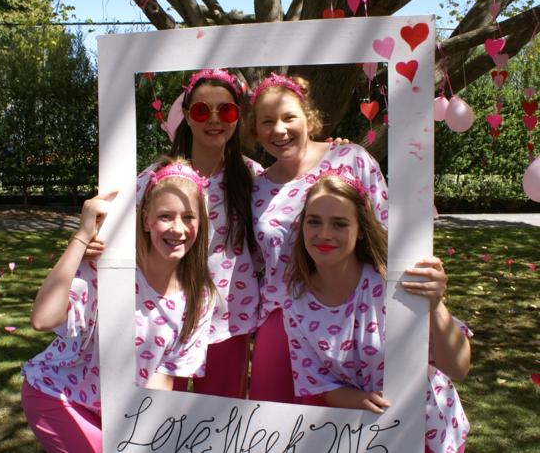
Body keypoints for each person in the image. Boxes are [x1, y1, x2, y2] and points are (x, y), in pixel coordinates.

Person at [21, 157, 215, 453]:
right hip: (59, 395)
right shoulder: (111, 269)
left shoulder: (200, 297)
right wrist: (82, 236)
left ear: (200, 222)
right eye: (166, 216)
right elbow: (42, 319)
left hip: (121, 412)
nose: (178, 228)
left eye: (189, 217)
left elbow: (161, 378)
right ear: (147, 218)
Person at [283, 169, 471, 453]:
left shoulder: (393, 284)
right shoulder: (296, 302)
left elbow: (458, 367)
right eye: (314, 221)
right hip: (364, 435)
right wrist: (358, 401)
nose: (324, 234)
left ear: (360, 230)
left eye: (339, 224)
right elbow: (317, 381)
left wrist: (435, 305)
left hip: (427, 429)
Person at [249, 72, 389, 402]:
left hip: (353, 315)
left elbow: (385, 233)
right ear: (255, 131)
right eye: (267, 121)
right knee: (273, 431)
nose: (279, 130)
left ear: (308, 118)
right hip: (281, 320)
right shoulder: (256, 186)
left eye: (288, 117)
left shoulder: (350, 159)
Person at [132, 69, 261, 399]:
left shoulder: (253, 177)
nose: (214, 120)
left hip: (229, 318)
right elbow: (121, 231)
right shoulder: (156, 179)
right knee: (156, 417)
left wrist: (329, 152)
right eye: (203, 110)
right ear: (187, 117)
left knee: (218, 422)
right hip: (166, 315)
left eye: (226, 110)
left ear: (237, 117)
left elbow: (299, 201)